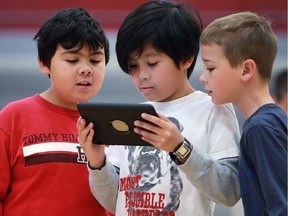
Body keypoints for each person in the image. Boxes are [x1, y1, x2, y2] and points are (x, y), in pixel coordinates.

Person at [78, 1, 241, 215]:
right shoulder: (130, 117)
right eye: (133, 66)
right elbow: (115, 202)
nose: (141, 75)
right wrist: (98, 164)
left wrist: (179, 148)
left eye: (152, 63)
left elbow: (229, 192)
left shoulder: (213, 109)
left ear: (186, 58)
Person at [0, 8, 113, 216]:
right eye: (72, 60)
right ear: (44, 63)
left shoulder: (113, 127)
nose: (86, 69)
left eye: (95, 61)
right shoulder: (13, 117)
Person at [199, 11, 287, 216]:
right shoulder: (267, 123)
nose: (203, 77)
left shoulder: (261, 128)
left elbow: (281, 207)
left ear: (246, 70)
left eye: (210, 68)